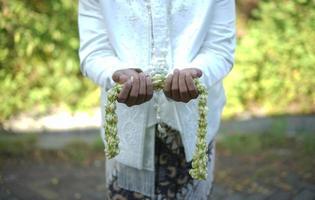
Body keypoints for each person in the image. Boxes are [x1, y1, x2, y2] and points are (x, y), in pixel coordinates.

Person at [78, 0, 236, 199]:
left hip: (192, 126)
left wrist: (196, 77)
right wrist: (116, 74)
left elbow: (220, 49)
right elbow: (94, 52)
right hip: (127, 130)